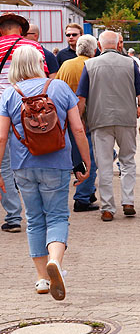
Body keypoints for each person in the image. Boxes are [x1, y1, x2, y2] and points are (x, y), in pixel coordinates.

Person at [0, 46, 91, 299]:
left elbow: (1, 137)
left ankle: (42, 278)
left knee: (33, 218)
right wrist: (86, 161)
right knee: (58, 216)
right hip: (57, 163)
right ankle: (55, 261)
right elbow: (78, 129)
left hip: (23, 165)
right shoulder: (59, 87)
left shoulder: (9, 93)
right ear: (40, 63)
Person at [77, 30, 140, 222]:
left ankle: (108, 208)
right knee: (128, 160)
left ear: (99, 46)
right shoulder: (130, 63)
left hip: (99, 120)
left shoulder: (90, 65)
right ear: (118, 45)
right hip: (126, 119)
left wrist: (80, 121)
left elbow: (81, 98)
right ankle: (128, 201)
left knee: (104, 164)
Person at [0, 12, 48, 234]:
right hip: (30, 110)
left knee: (4, 165)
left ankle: (13, 217)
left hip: (2, 109)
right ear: (21, 30)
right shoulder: (34, 46)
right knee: (34, 158)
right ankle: (38, 212)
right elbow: (43, 78)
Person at [56, 34, 99, 212]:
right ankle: (83, 197)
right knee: (89, 159)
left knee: (75, 155)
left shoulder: (66, 65)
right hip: (87, 118)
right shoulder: (93, 65)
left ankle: (88, 191)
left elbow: (57, 86)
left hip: (67, 117)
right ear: (94, 50)